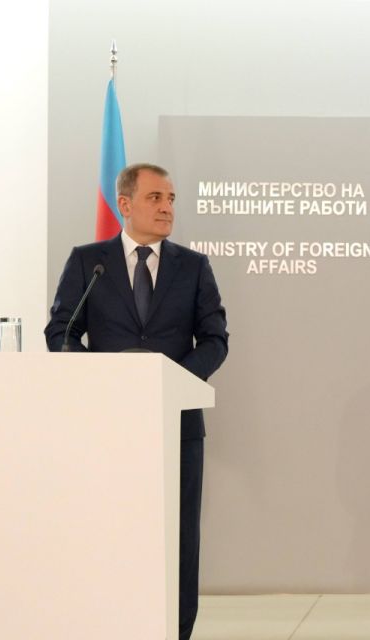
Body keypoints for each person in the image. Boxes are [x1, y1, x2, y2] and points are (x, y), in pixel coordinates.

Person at [45, 163, 228, 640]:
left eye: (171, 199)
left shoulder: (194, 266)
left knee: (179, 538)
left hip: (177, 426)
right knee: (108, 532)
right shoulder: (89, 262)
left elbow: (215, 340)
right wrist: (107, 385)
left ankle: (177, 632)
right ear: (124, 204)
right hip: (107, 427)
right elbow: (61, 333)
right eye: (155, 198)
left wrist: (170, 383)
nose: (167, 208)